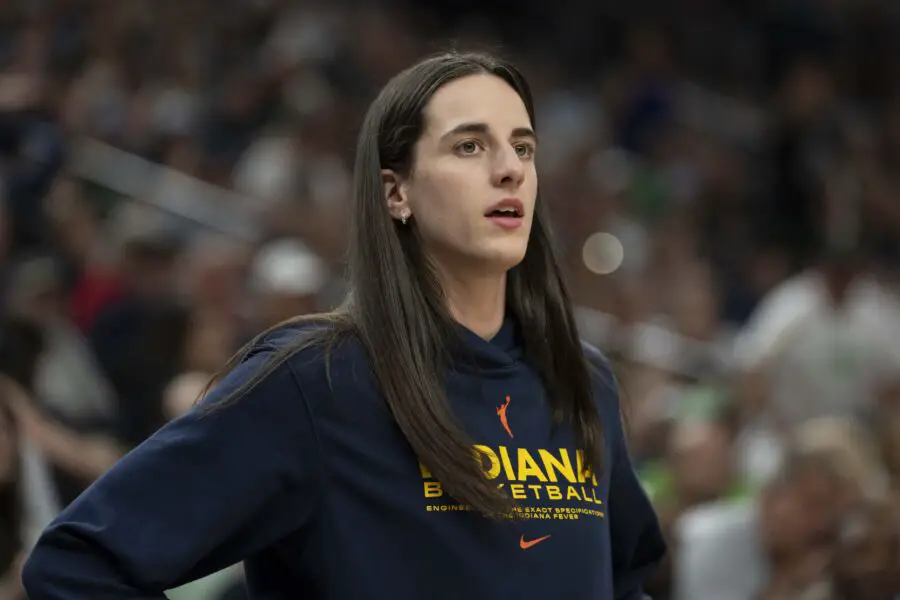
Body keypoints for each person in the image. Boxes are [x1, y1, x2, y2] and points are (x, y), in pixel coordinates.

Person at [22, 51, 666, 599]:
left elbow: (626, 582)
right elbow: (80, 562)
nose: (510, 169)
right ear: (396, 192)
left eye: (523, 147)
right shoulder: (319, 379)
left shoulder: (583, 381)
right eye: (470, 145)